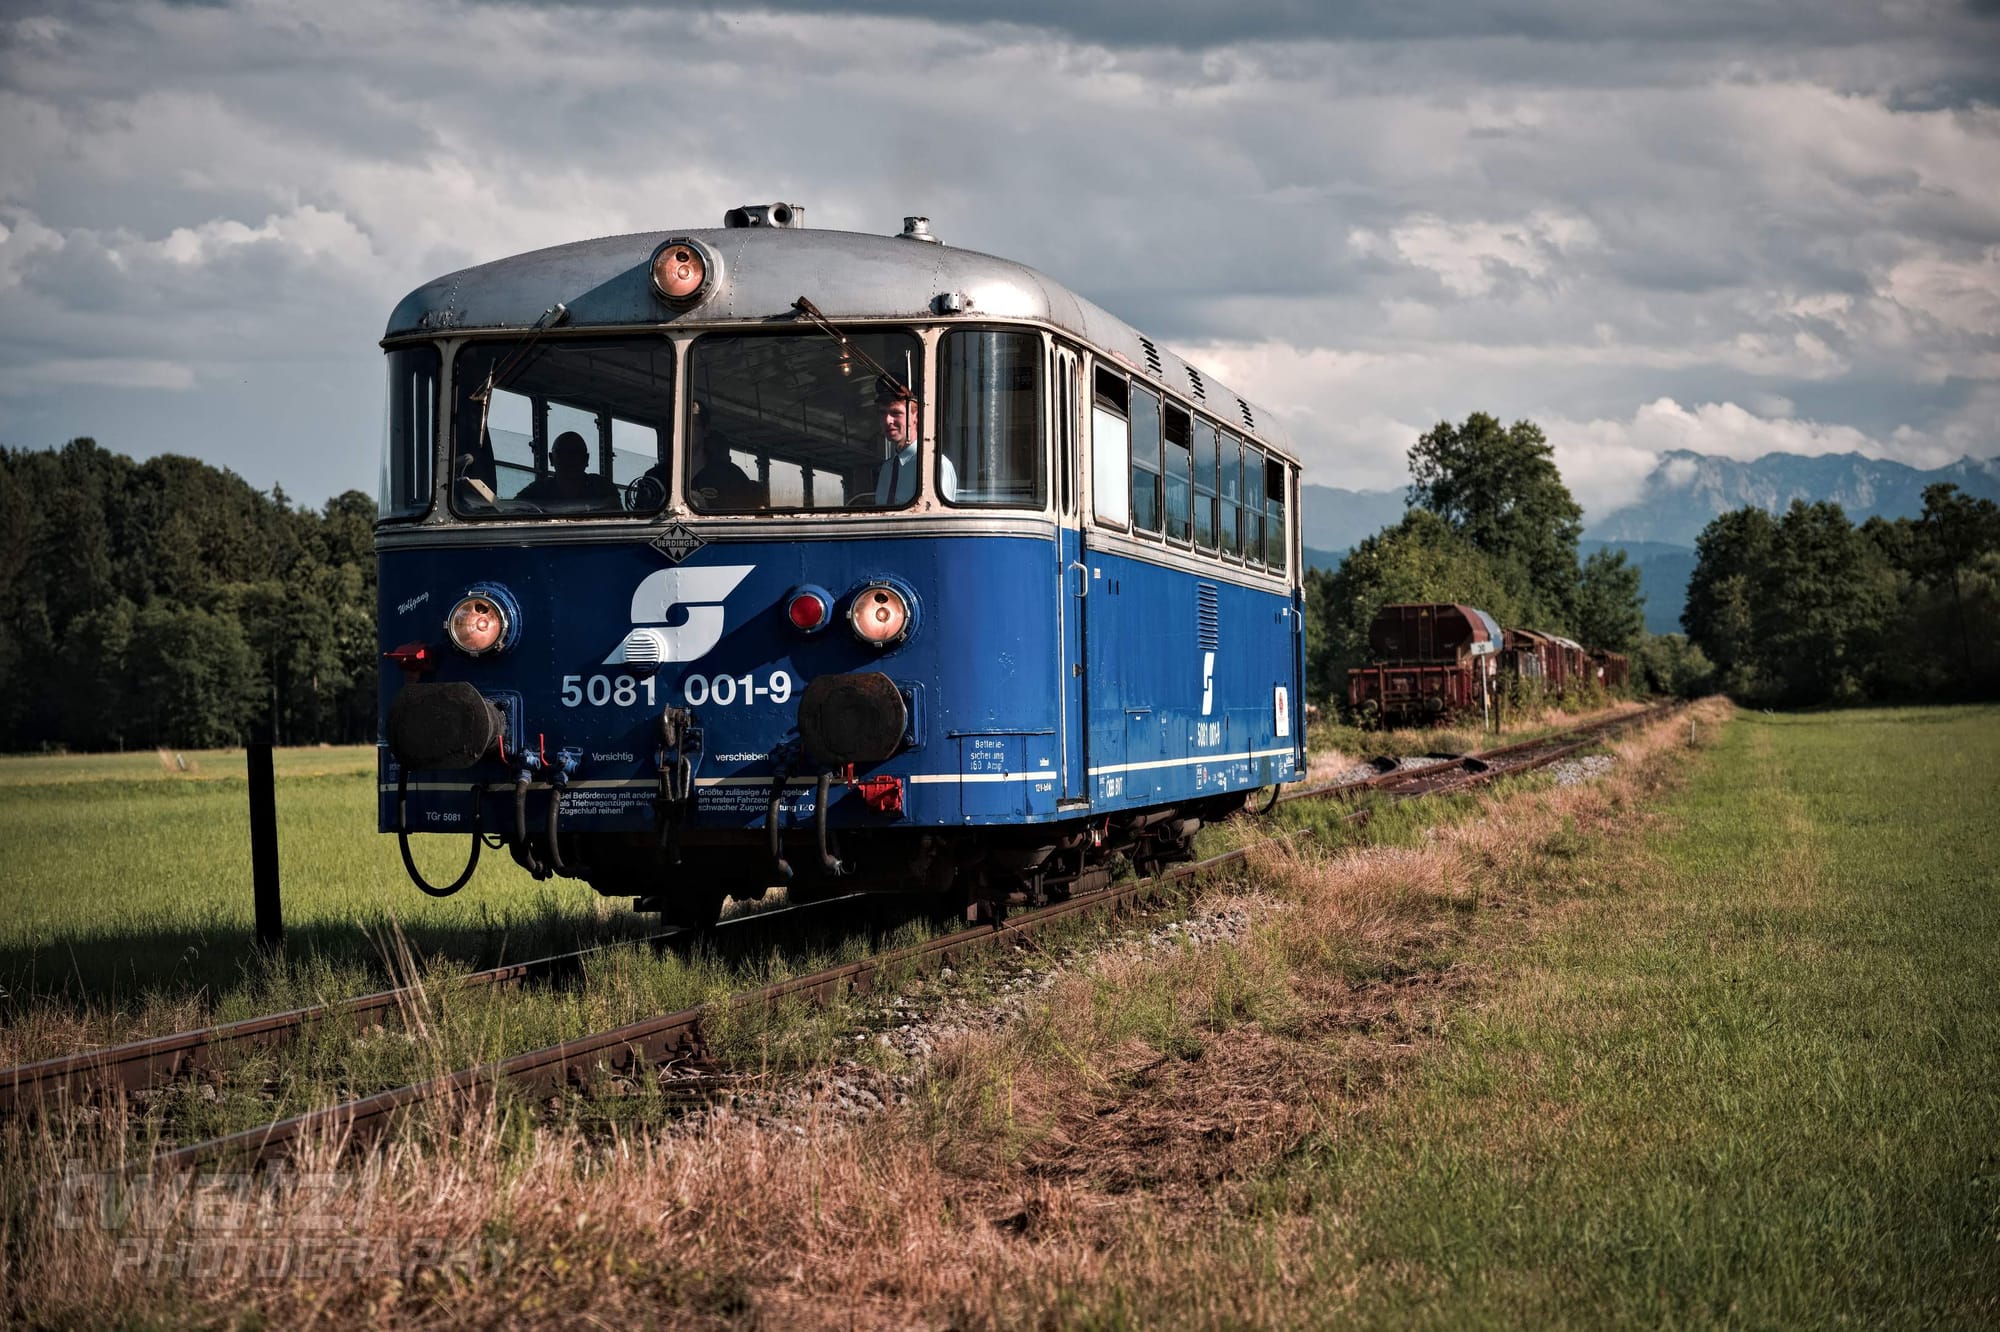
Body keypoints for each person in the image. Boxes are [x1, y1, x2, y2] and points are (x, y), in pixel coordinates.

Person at [872, 378, 956, 506]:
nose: (887, 420)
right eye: (882, 413)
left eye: (896, 413)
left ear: (915, 416)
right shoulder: (886, 469)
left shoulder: (935, 467)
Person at [687, 400, 763, 510]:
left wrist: (705, 510)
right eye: (679, 424)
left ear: (706, 430)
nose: (684, 430)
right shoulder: (659, 476)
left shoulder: (731, 477)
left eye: (692, 425)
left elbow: (753, 517)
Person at [518, 431, 621, 511]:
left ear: (586, 459)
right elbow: (513, 509)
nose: (570, 459)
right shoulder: (535, 491)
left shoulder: (603, 488)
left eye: (577, 453)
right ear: (551, 458)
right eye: (562, 453)